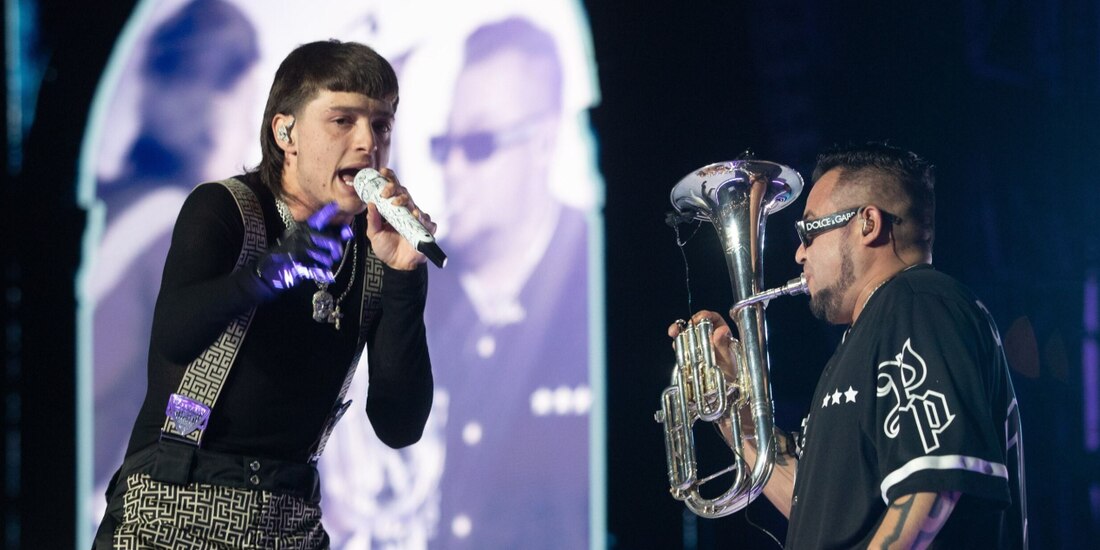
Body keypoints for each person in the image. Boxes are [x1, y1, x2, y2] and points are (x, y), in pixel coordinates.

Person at [93, 39, 435, 548]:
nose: (368, 142)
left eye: (381, 124)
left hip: (290, 520)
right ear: (285, 132)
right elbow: (174, 337)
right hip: (172, 509)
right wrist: (269, 272)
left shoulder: (375, 251)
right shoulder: (226, 208)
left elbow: (400, 426)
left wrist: (405, 276)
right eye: (343, 120)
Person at [671, 143, 1026, 548]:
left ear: (867, 224)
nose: (799, 253)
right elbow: (817, 514)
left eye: (808, 232)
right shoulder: (872, 331)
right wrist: (733, 415)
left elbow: (934, 486)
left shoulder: (919, 302)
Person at [429, 17, 589, 548]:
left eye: (478, 144)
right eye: (444, 144)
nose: (452, 168)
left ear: (543, 142)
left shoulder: (595, 278)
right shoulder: (416, 286)